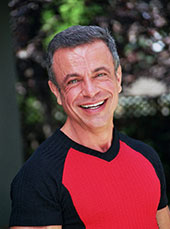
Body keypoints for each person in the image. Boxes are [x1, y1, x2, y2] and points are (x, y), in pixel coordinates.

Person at [9, 25, 170, 229]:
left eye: (100, 74)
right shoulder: (38, 177)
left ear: (118, 77)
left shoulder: (146, 157)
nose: (90, 91)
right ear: (56, 92)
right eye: (74, 80)